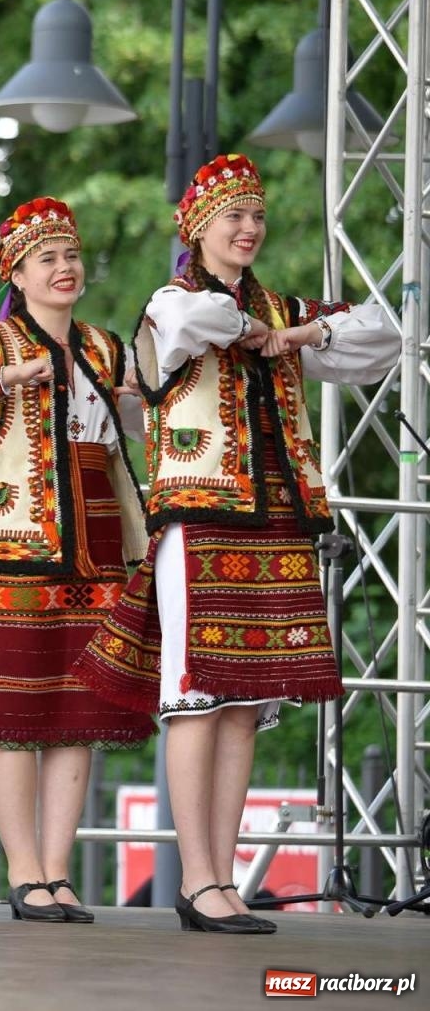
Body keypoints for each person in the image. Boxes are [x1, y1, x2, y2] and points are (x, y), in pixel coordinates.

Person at [76, 154, 398, 933]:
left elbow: (384, 335)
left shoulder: (284, 311)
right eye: (233, 216)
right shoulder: (172, 301)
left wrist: (304, 332)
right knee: (199, 695)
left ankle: (221, 878)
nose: (249, 228)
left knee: (246, 703)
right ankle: (198, 879)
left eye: (256, 216)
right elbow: (200, 324)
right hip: (200, 519)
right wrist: (266, 331)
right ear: (198, 228)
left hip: (277, 519)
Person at [0, 196, 154, 923]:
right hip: (16, 546)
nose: (65, 267)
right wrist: (6, 379)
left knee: (77, 713)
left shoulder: (105, 347)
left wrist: (141, 399)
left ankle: (57, 869)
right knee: (17, 712)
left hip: (97, 548)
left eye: (71, 255)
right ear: (16, 274)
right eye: (47, 258)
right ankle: (23, 871)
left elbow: (136, 424)